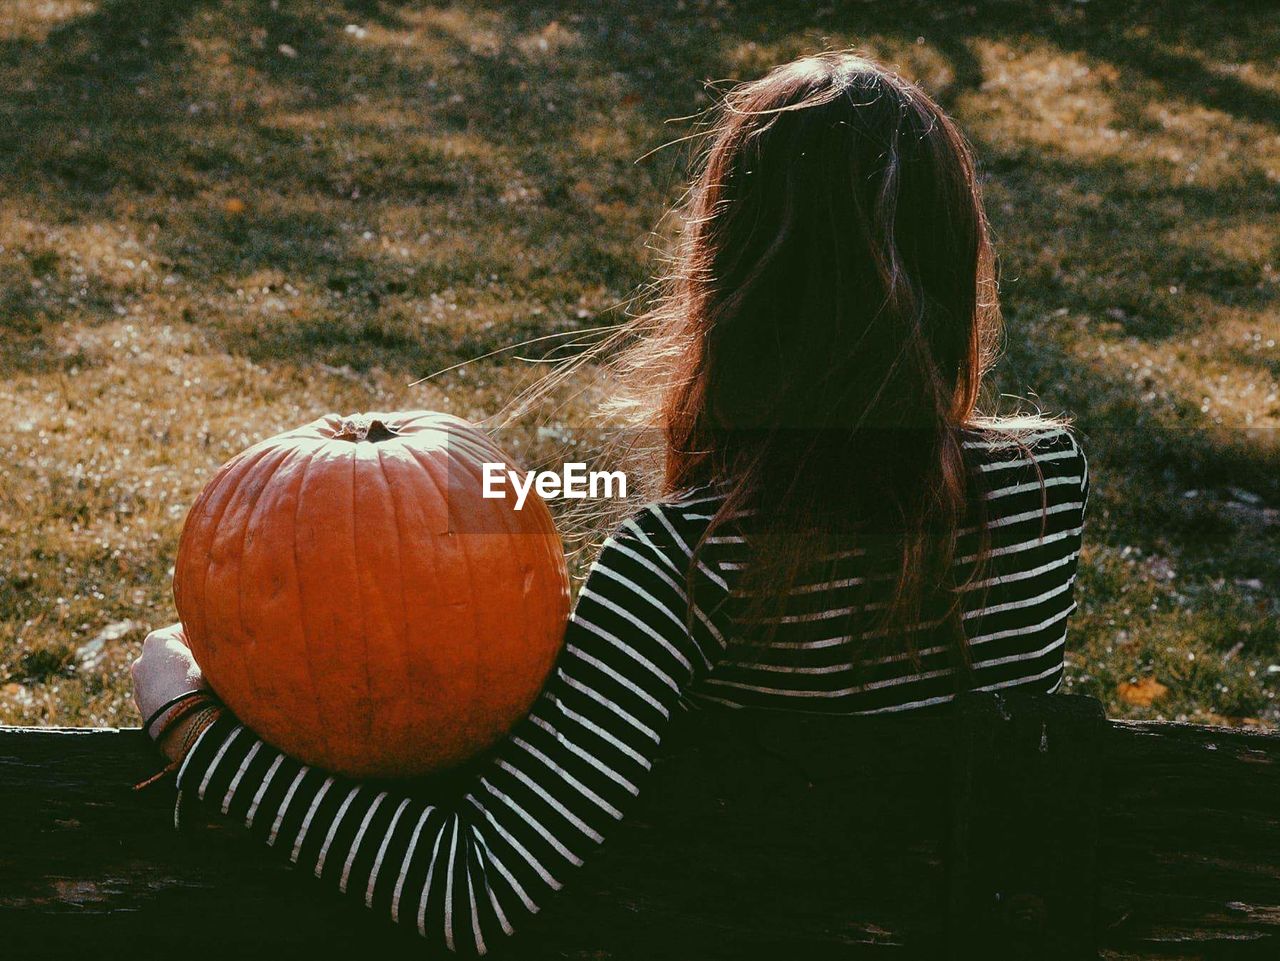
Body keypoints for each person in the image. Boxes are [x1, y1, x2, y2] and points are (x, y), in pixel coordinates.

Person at [132, 52, 1088, 956]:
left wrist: (190, 727)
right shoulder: (1046, 484)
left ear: (727, 286)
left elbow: (473, 887)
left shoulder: (681, 566)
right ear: (956, 266)